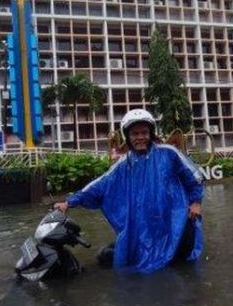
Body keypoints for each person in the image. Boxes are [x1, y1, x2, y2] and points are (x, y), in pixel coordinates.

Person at [54, 109, 204, 274]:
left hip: (176, 219)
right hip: (146, 225)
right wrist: (69, 202)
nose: (140, 137)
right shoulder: (124, 164)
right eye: (135, 133)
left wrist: (196, 203)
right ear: (128, 136)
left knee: (184, 264)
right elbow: (98, 186)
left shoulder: (169, 153)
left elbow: (194, 177)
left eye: (144, 132)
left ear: (151, 133)